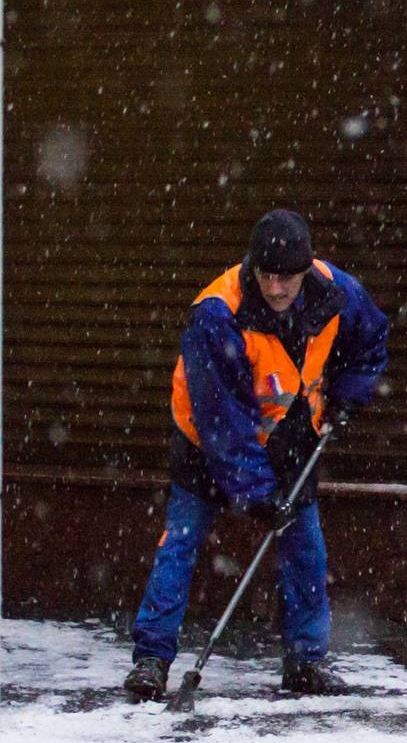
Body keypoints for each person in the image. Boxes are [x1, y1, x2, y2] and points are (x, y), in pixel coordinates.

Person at [122, 209, 389, 700]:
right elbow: (223, 424)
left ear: (306, 270)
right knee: (179, 545)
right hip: (206, 445)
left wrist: (349, 394)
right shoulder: (217, 313)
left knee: (305, 549)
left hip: (291, 437)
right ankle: (152, 659)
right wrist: (259, 495)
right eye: (267, 275)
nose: (276, 287)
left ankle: (305, 661)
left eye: (286, 278)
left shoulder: (336, 293)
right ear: (254, 267)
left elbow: (371, 338)